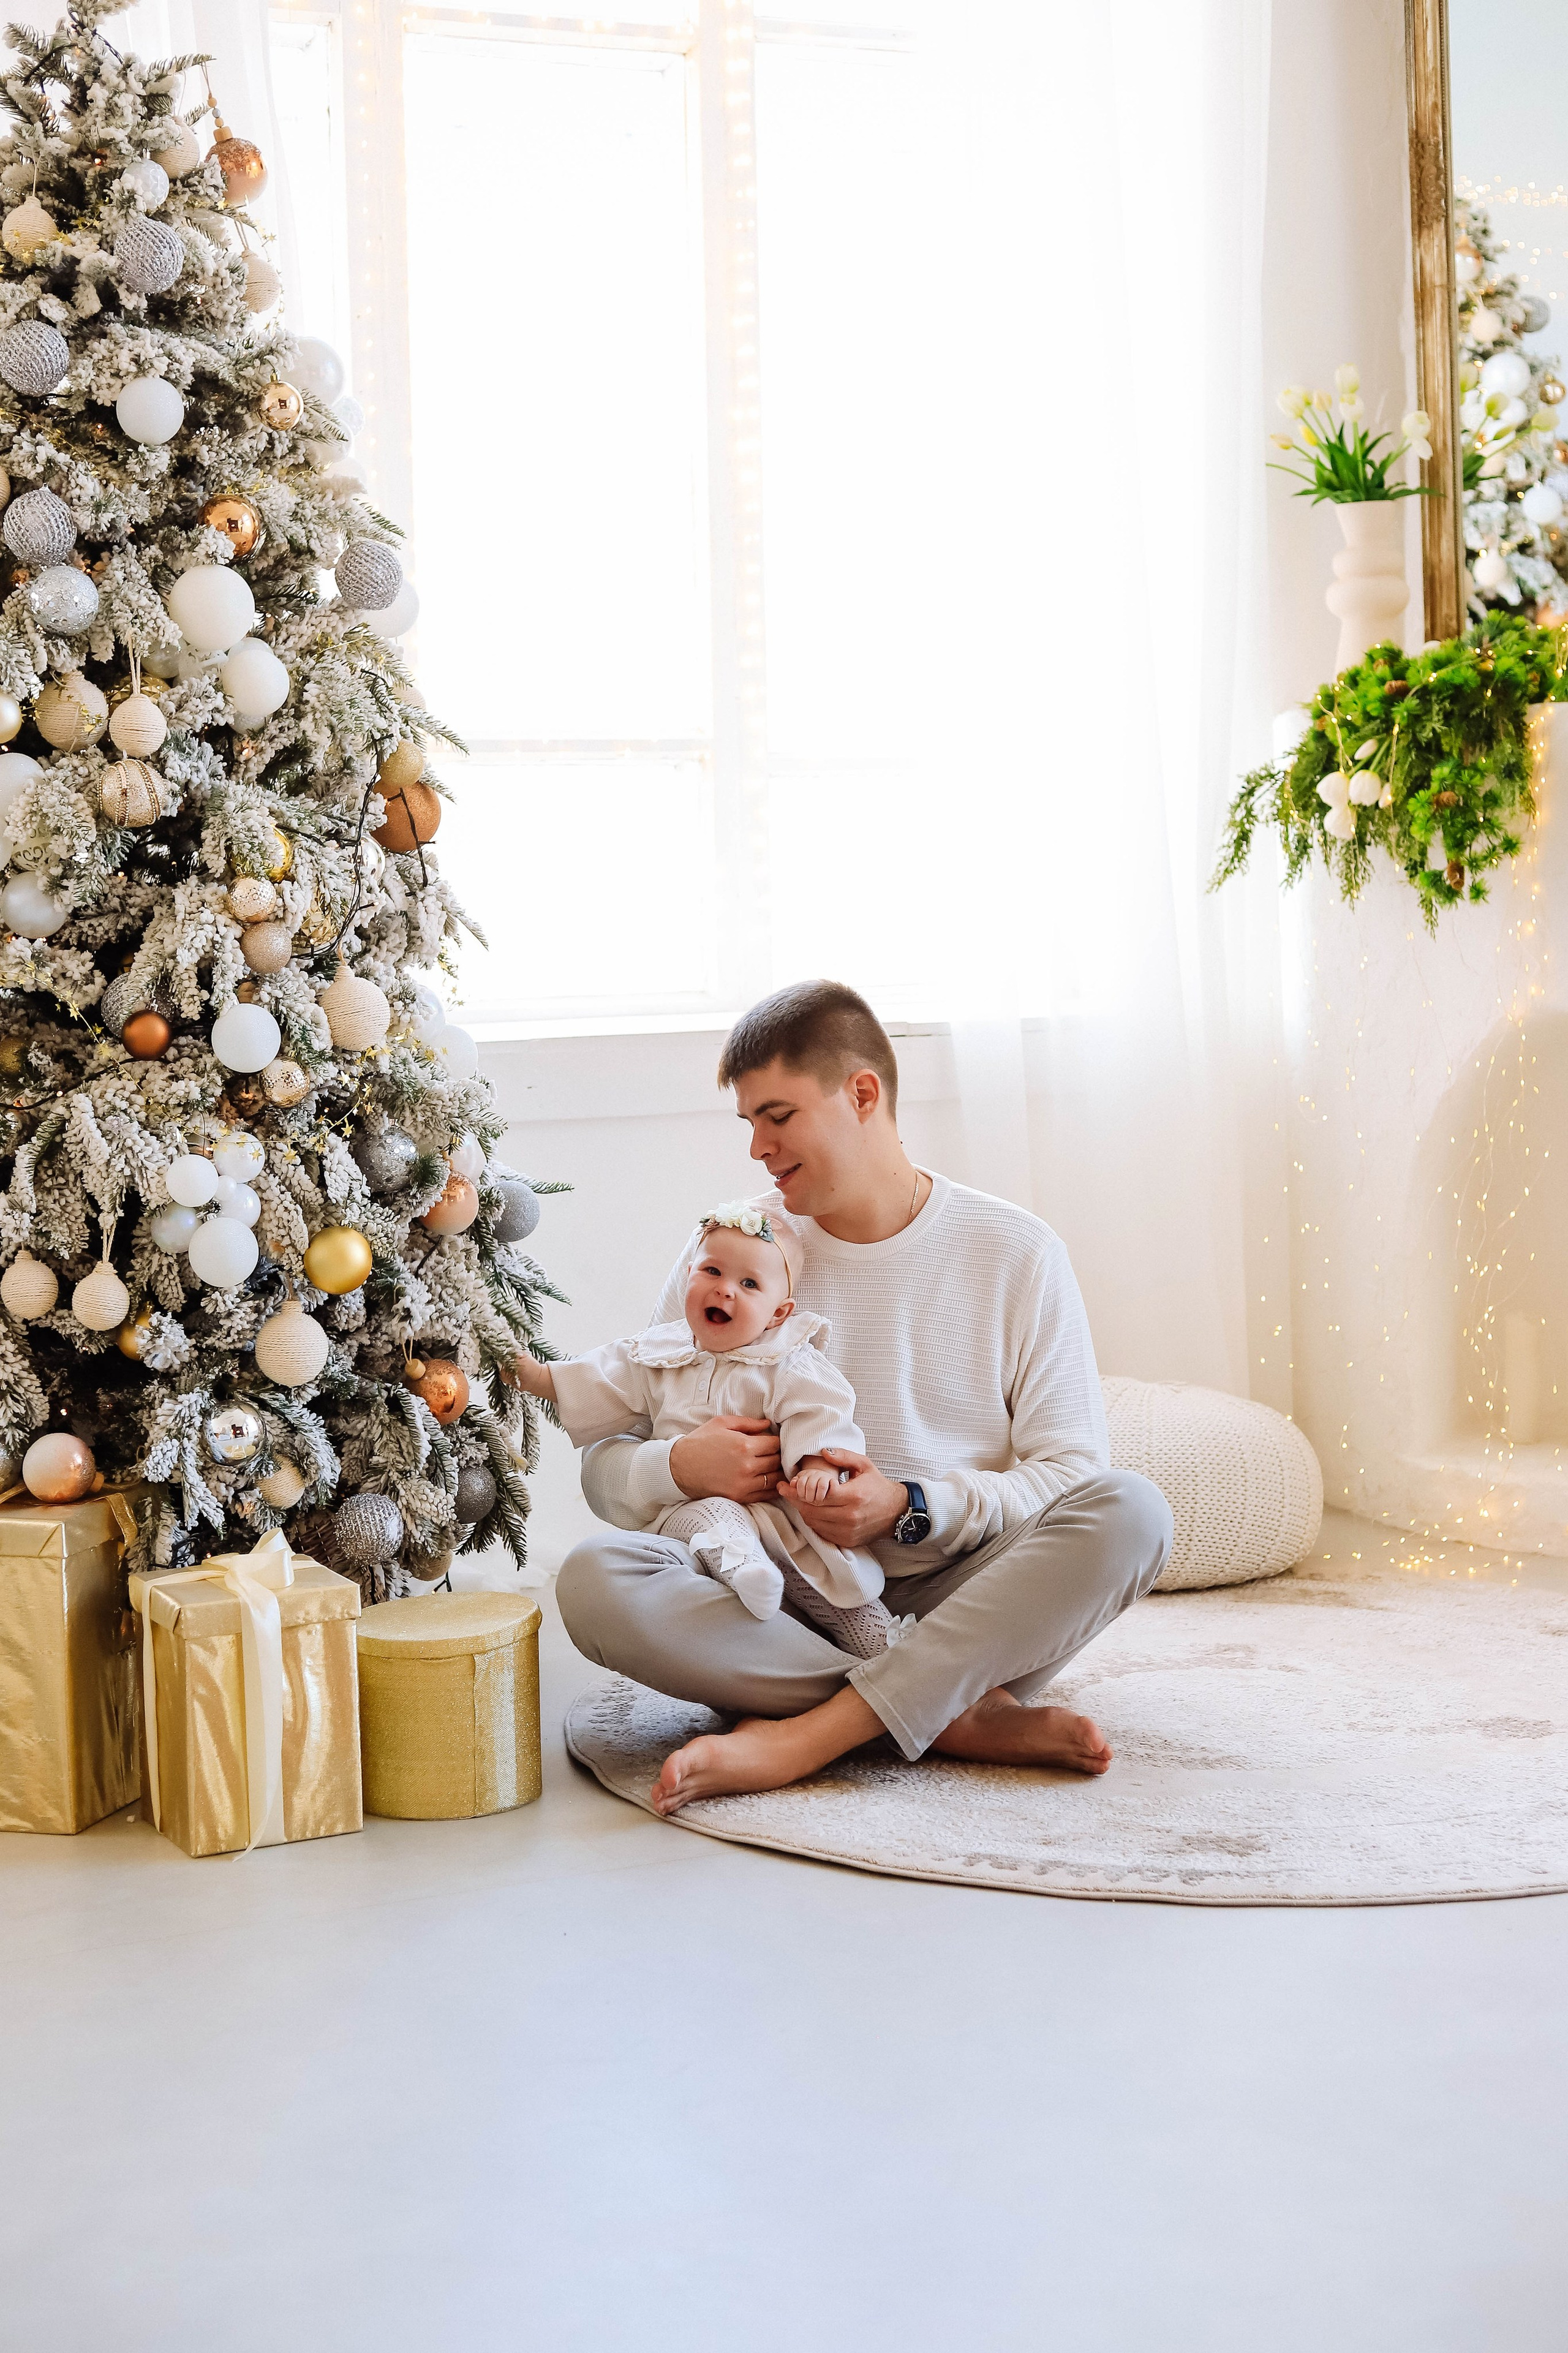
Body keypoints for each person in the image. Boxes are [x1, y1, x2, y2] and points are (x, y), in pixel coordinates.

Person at [554, 979, 1174, 1816]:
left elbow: (1070, 1473)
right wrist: (680, 1465)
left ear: (863, 1093)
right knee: (595, 1580)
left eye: (778, 1117)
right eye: (748, 1125)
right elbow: (604, 1472)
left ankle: (809, 1732)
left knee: (1134, 1512)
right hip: (777, 1606)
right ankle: (946, 1713)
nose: (757, 1151)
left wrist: (910, 1506)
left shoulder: (1016, 1252)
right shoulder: (736, 1251)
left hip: (969, 1605)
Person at [505, 1200, 908, 1658]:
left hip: (775, 1519)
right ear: (690, 1273)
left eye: (750, 1283)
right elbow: (600, 1377)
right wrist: (538, 1378)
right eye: (713, 1271)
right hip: (685, 1513)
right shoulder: (660, 1353)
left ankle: (883, 1644)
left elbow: (818, 1412)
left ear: (778, 1313)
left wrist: (817, 1464)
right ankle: (745, 1574)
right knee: (712, 1518)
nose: (726, 1290)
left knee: (824, 1577)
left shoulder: (785, 1359)